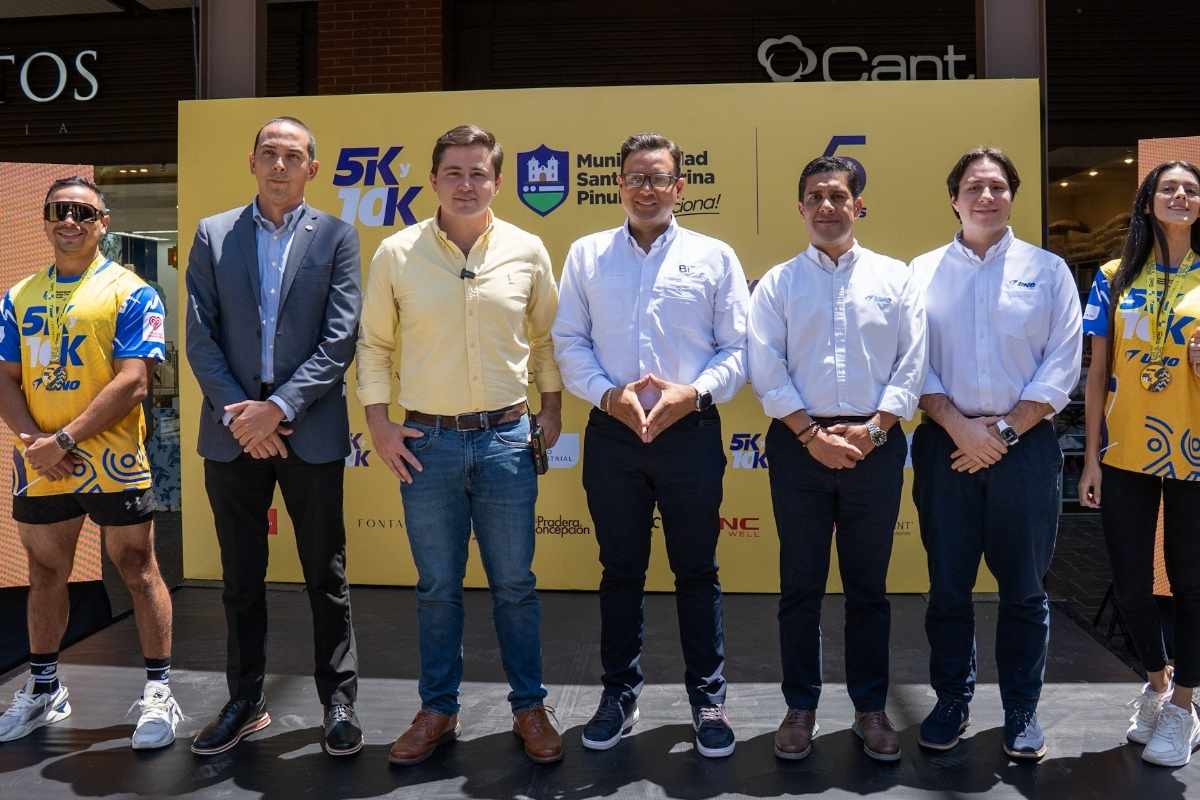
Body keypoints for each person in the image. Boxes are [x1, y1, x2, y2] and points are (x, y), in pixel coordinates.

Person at [357, 124, 564, 765]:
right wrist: (379, 423)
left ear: (498, 182)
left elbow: (546, 338)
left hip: (507, 440)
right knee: (437, 587)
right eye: (454, 172)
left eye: (479, 173)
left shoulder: (528, 249)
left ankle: (529, 707)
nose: (466, 184)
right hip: (429, 443)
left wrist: (552, 406)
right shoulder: (397, 253)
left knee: (515, 585)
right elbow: (374, 345)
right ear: (433, 180)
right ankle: (437, 710)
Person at [553, 132, 749, 759]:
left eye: (659, 178)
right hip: (613, 435)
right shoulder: (587, 255)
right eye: (635, 177)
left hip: (689, 433)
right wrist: (608, 396)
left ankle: (708, 699)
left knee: (697, 571)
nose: (646, 189)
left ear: (679, 187)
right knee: (620, 571)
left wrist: (693, 394)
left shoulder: (714, 256)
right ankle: (619, 694)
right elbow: (569, 342)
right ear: (619, 185)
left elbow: (737, 349)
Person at [185, 116, 363, 757]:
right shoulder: (213, 233)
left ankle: (339, 701)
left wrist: (279, 408)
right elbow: (200, 335)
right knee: (240, 578)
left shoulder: (337, 236)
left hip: (307, 428)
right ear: (252, 161)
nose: (279, 165)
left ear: (312, 168)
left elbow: (340, 338)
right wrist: (244, 415)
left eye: (293, 155)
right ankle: (245, 701)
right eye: (269, 153)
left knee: (326, 574)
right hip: (233, 431)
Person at [747, 155, 926, 762]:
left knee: (868, 589)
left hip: (875, 446)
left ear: (859, 205)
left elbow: (912, 361)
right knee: (799, 586)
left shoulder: (896, 278)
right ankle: (800, 708)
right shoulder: (777, 284)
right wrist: (809, 435)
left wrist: (876, 430)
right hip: (799, 445)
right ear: (801, 208)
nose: (827, 206)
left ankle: (871, 708)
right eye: (816, 197)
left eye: (838, 196)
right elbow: (765, 366)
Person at [911, 147, 1082, 761]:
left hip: (1026, 450)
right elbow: (910, 362)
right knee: (948, 589)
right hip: (946, 448)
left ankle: (1021, 711)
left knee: (1026, 593)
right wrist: (960, 427)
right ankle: (951, 702)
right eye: (973, 187)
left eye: (998, 187)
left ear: (1012, 196)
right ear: (953, 199)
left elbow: (1062, 363)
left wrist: (1003, 433)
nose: (986, 196)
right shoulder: (920, 272)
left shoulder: (1048, 271)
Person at [0, 176, 177, 749]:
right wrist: (35, 440)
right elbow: (5, 378)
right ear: (45, 220)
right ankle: (45, 689)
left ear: (103, 222)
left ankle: (159, 692)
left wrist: (65, 439)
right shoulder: (17, 295)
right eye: (59, 210)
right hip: (40, 459)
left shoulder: (132, 291)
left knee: (137, 568)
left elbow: (134, 381)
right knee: (45, 572)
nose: (69, 221)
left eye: (82, 211)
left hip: (111, 457)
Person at [1078, 160, 1200, 767]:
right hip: (1125, 450)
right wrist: (1091, 458)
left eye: (1191, 189)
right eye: (1168, 188)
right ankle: (1157, 683)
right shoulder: (1113, 275)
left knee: (1191, 582)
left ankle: (1184, 706)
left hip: (1197, 455)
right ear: (1148, 201)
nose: (1180, 195)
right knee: (1130, 581)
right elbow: (1097, 372)